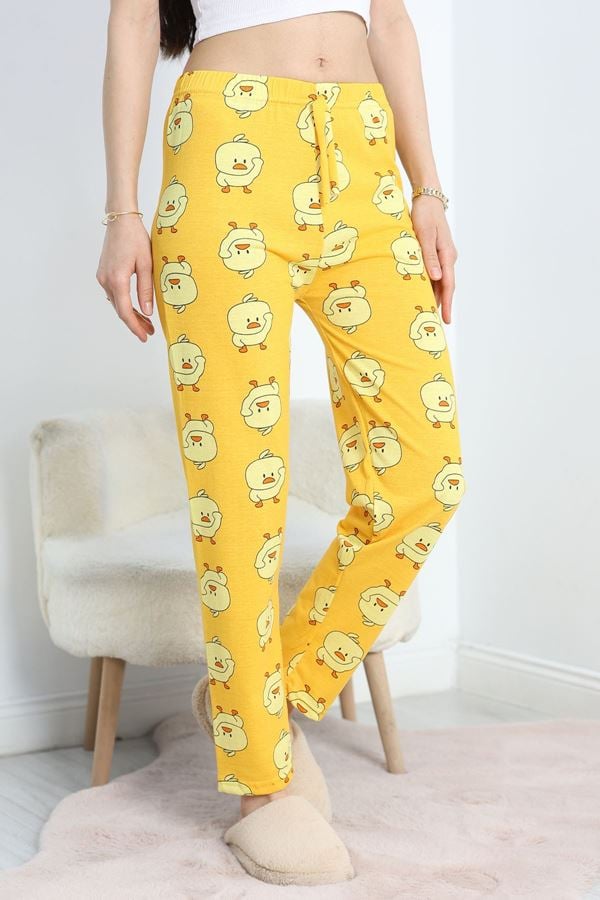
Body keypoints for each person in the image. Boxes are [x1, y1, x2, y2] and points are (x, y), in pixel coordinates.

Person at [96, 0, 466, 885]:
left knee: (426, 473)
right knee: (239, 490)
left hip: (366, 152)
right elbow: (134, 20)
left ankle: (266, 700)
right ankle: (261, 787)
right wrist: (121, 212)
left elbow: (390, 21)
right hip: (227, 141)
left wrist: (427, 190)